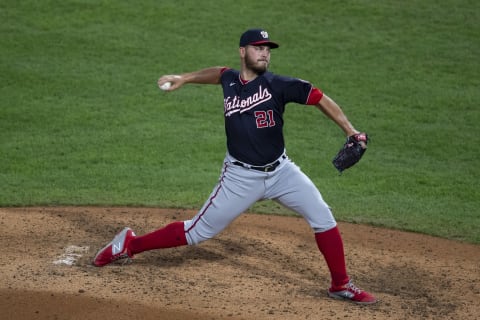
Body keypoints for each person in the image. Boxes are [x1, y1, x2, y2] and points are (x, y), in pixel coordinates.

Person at [93, 28, 377, 304]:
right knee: (197, 232)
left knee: (323, 217)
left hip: (282, 172)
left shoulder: (278, 84)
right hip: (240, 177)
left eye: (267, 49)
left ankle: (340, 285)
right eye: (258, 48)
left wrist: (351, 132)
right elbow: (219, 73)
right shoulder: (230, 80)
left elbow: (318, 97)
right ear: (243, 52)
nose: (264, 54)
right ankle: (129, 244)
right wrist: (186, 78)